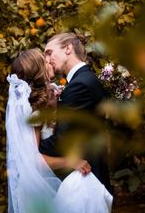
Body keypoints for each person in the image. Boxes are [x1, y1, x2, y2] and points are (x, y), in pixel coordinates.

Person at [6, 49, 112, 213]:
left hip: (61, 180)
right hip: (44, 186)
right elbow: (33, 159)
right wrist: (71, 161)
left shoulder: (55, 93)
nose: (50, 60)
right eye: (45, 59)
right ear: (39, 69)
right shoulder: (36, 111)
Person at [39, 33, 112, 193]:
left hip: (87, 181)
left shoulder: (79, 85)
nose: (47, 59)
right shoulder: (86, 79)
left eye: (49, 52)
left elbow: (62, 141)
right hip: (92, 175)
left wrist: (32, 149)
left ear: (68, 49)